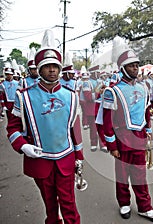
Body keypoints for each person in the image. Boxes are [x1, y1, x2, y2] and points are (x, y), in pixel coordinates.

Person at [6, 29, 84, 224]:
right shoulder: (23, 96)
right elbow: (13, 128)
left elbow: (75, 130)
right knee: (49, 205)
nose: (52, 70)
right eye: (47, 66)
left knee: (69, 204)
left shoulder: (71, 95)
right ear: (39, 69)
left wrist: (79, 157)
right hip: (40, 160)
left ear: (60, 69)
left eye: (55, 66)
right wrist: (23, 146)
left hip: (65, 158)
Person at [101, 36, 153, 223]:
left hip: (139, 138)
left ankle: (145, 207)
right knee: (122, 175)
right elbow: (106, 121)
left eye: (136, 65)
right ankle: (124, 203)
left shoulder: (144, 88)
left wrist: (148, 129)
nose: (135, 68)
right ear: (123, 68)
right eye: (131, 66)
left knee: (140, 175)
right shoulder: (112, 91)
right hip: (121, 139)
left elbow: (145, 111)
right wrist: (111, 145)